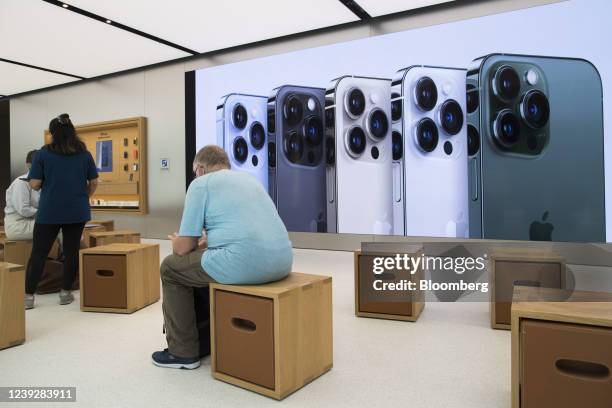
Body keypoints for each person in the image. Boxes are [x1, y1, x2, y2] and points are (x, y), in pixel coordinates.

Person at [152, 145, 293, 369]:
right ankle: (206, 336)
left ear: (199, 169)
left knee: (170, 268)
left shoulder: (200, 184)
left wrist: (175, 240)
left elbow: (183, 248)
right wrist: (205, 243)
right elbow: (245, 228)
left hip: (245, 263)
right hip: (283, 261)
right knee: (201, 259)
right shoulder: (250, 180)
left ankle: (182, 352)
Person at [24, 114, 99, 310]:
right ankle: (65, 293)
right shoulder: (84, 154)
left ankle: (28, 296)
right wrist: (84, 196)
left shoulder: (43, 154)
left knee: (39, 252)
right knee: (71, 251)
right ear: (72, 131)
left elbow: (35, 184)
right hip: (77, 210)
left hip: (50, 210)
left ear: (52, 134)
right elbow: (94, 182)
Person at [4, 150, 40, 240]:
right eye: (38, 164)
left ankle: (71, 252)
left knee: (60, 223)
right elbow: (24, 210)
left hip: (31, 221)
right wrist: (47, 213)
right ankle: (73, 253)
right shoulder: (21, 182)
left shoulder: (43, 182)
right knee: (56, 227)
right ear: (29, 165)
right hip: (18, 224)